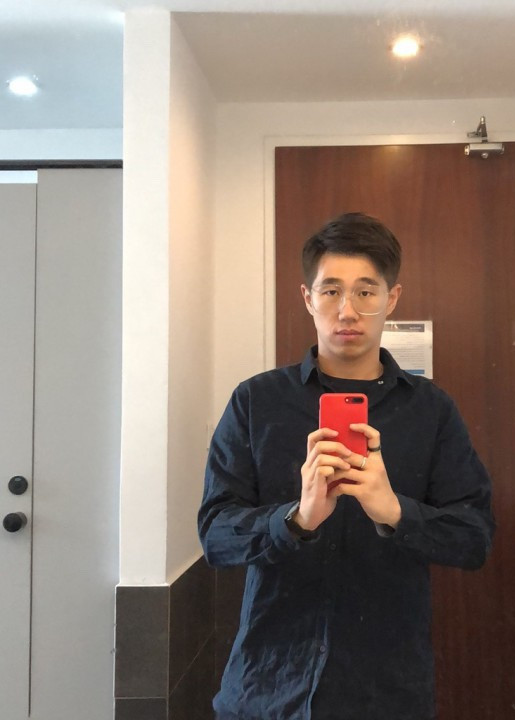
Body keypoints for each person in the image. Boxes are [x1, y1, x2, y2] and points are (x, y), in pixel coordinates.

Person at [198, 212, 495, 720]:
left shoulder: (431, 411)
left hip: (385, 693)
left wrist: (395, 511)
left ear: (391, 299)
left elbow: (474, 539)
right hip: (268, 687)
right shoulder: (255, 402)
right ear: (307, 298)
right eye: (331, 290)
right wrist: (296, 520)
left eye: (365, 291)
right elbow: (216, 536)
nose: (348, 310)